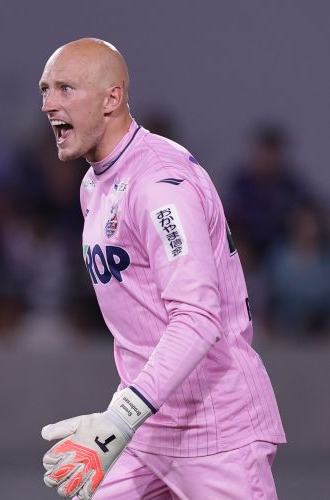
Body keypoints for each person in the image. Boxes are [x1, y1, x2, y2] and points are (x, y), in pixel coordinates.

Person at [38, 38, 285, 500]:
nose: (49, 104)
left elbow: (197, 317)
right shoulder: (94, 185)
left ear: (112, 98)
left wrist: (119, 418)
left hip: (216, 432)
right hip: (148, 428)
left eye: (65, 88)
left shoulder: (158, 183)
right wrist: (124, 415)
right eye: (45, 90)